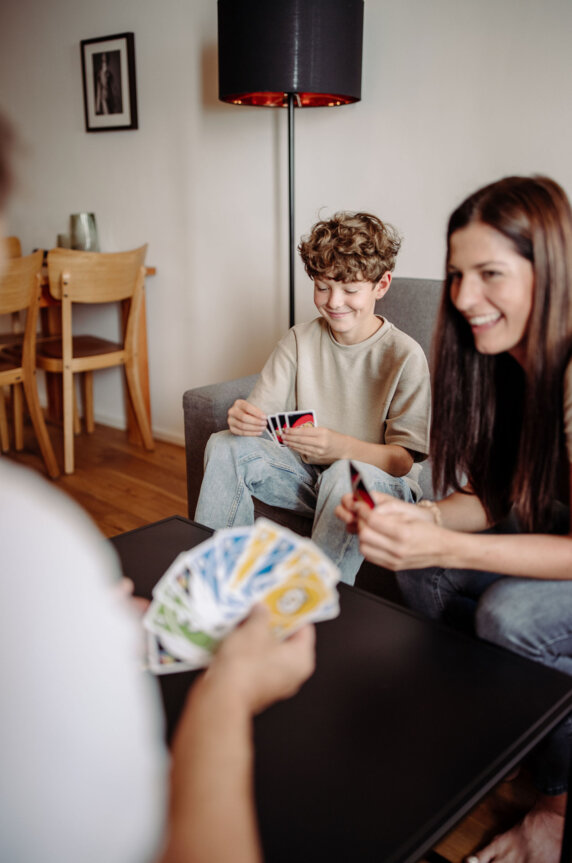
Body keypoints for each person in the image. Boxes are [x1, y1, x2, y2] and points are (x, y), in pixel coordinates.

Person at [0, 111, 315, 863]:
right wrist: (231, 688)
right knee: (231, 443)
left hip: (349, 465)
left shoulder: (37, 540)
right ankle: (214, 575)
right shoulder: (34, 536)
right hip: (281, 465)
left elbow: (408, 454)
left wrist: (68, 613)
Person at [336, 175, 572, 863]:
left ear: (549, 269)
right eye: (456, 275)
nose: (464, 298)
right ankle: (477, 733)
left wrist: (442, 543)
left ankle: (555, 807)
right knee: (427, 566)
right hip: (549, 523)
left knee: (511, 614)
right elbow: (498, 494)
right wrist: (420, 517)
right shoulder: (501, 361)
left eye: (490, 273)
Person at [195, 212, 431, 584]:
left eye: (350, 290)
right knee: (224, 445)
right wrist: (246, 419)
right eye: (322, 287)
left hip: (379, 485)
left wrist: (340, 447)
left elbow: (402, 461)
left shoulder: (404, 355)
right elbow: (262, 419)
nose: (334, 302)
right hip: (307, 477)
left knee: (343, 472)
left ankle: (312, 604)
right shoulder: (299, 340)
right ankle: (216, 583)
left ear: (381, 285)